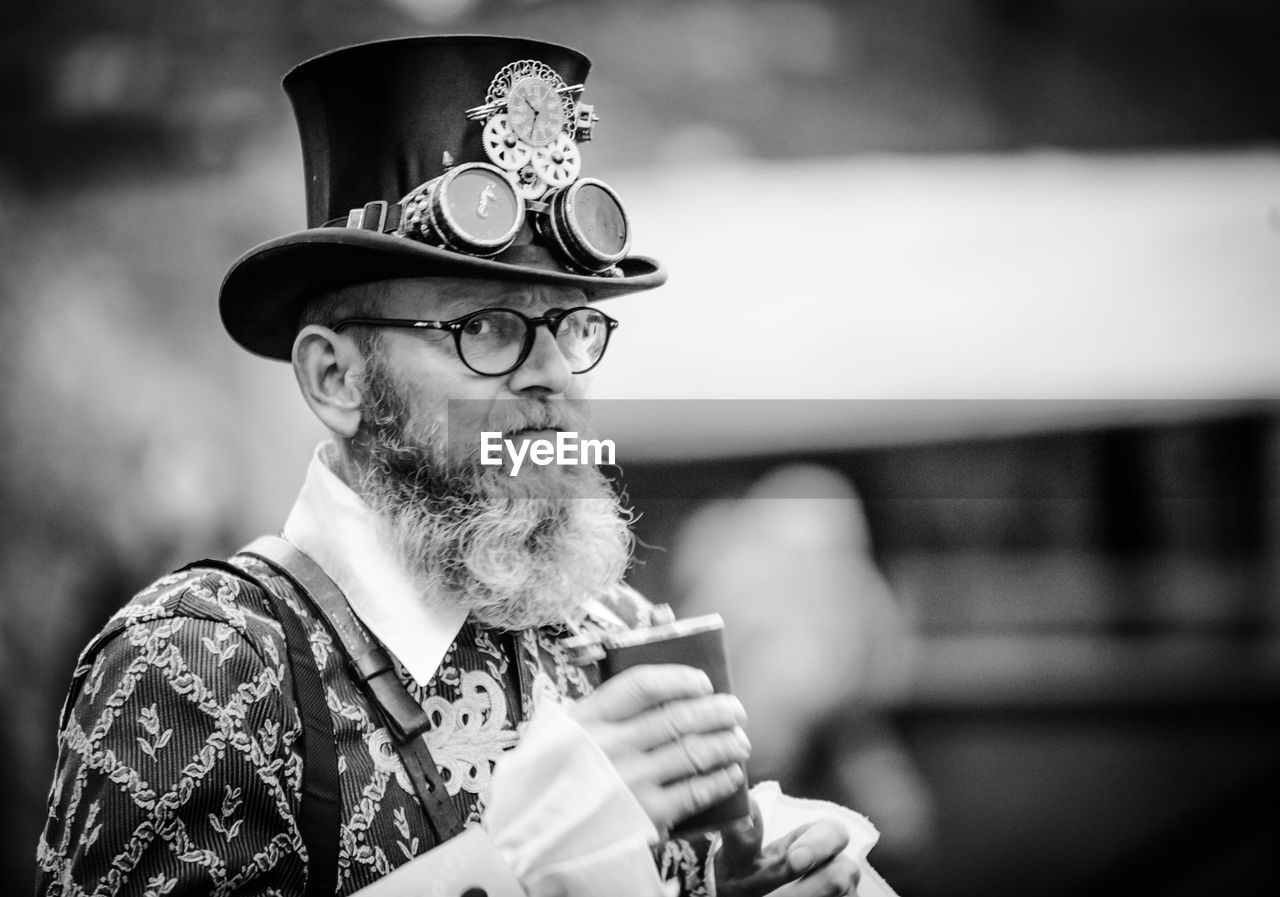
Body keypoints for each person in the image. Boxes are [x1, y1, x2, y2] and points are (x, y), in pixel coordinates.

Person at [35, 36, 887, 897]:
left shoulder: (611, 632)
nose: (553, 373)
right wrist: (518, 866)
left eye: (572, 324)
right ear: (336, 378)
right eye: (487, 327)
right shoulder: (198, 660)